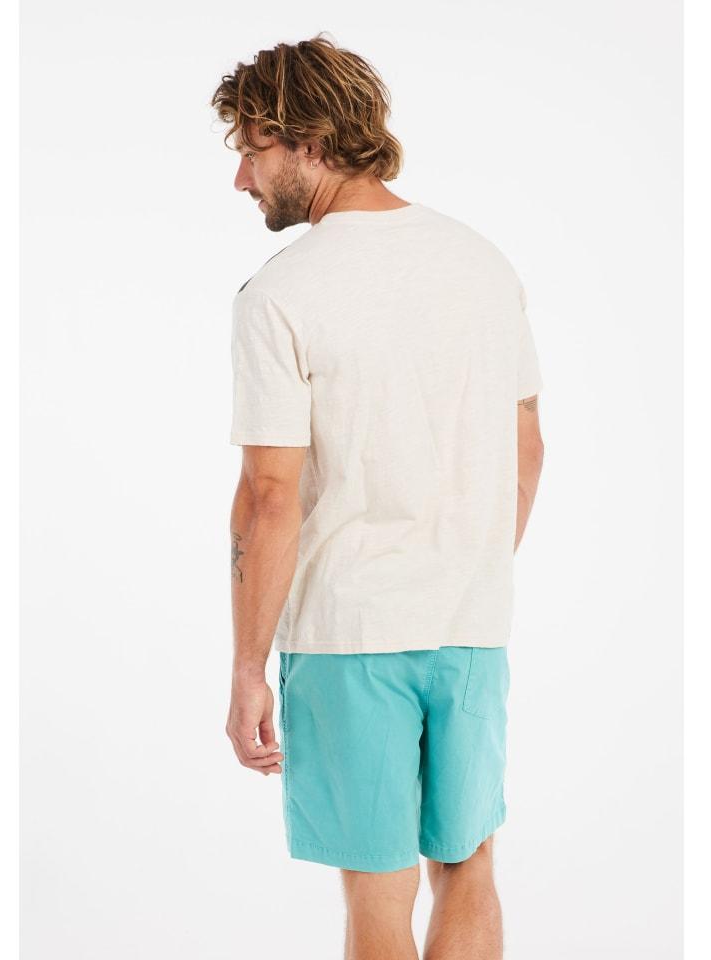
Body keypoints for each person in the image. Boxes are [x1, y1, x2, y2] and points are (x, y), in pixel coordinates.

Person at [211, 33, 544, 960]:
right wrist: (465, 564)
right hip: (470, 625)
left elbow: (269, 496)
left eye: (252, 149)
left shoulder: (281, 293)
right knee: (470, 865)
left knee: (377, 891)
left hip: (349, 634)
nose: (241, 178)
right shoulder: (482, 263)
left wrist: (247, 669)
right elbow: (527, 444)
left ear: (309, 142)